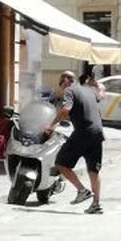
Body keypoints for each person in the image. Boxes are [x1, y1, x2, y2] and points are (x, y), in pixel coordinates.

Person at [46, 68, 105, 214]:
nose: (61, 86)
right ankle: (96, 204)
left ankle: (82, 190)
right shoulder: (89, 90)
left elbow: (66, 109)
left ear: (65, 80)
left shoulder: (70, 91)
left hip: (83, 132)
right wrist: (98, 85)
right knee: (93, 170)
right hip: (97, 133)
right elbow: (101, 95)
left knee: (61, 163)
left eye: (61, 82)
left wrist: (50, 126)